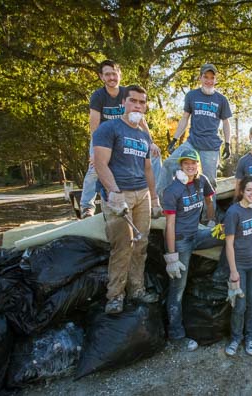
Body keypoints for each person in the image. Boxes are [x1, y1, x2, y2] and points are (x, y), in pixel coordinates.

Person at [93, 85, 161, 314]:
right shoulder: (108, 128)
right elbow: (100, 164)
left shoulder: (143, 136)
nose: (138, 106)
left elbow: (148, 169)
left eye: (142, 103)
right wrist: (113, 192)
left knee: (141, 245)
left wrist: (154, 197)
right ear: (123, 103)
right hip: (118, 195)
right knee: (122, 247)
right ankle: (115, 297)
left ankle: (137, 290)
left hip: (142, 195)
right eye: (134, 101)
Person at [82, 60, 161, 217]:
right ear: (101, 77)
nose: (111, 77)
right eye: (107, 74)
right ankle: (86, 206)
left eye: (114, 73)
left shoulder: (128, 94)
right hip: (105, 138)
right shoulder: (98, 96)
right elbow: (94, 122)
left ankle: (154, 199)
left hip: (126, 136)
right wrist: (94, 151)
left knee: (155, 159)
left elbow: (141, 120)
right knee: (94, 167)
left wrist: (151, 143)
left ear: (120, 75)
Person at [161, 148, 220, 351]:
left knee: (227, 234)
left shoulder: (201, 180)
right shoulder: (172, 191)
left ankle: (223, 278)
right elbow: (169, 225)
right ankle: (177, 335)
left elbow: (209, 198)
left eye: (193, 163)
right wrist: (171, 256)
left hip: (198, 233)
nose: (191, 167)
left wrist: (211, 221)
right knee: (178, 288)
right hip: (180, 241)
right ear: (181, 166)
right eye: (186, 164)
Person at [157, 64, 232, 195]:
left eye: (212, 78)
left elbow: (226, 123)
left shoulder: (221, 99)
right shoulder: (192, 96)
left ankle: (209, 215)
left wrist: (227, 143)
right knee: (168, 164)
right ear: (200, 78)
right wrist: (174, 139)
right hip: (192, 142)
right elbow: (185, 118)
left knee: (210, 183)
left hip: (210, 146)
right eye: (206, 77)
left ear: (215, 80)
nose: (209, 80)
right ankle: (162, 204)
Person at [224, 176, 252, 357]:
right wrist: (233, 271)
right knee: (240, 304)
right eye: (249, 190)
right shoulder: (234, 212)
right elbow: (229, 244)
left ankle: (250, 338)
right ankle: (236, 338)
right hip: (239, 265)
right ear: (242, 191)